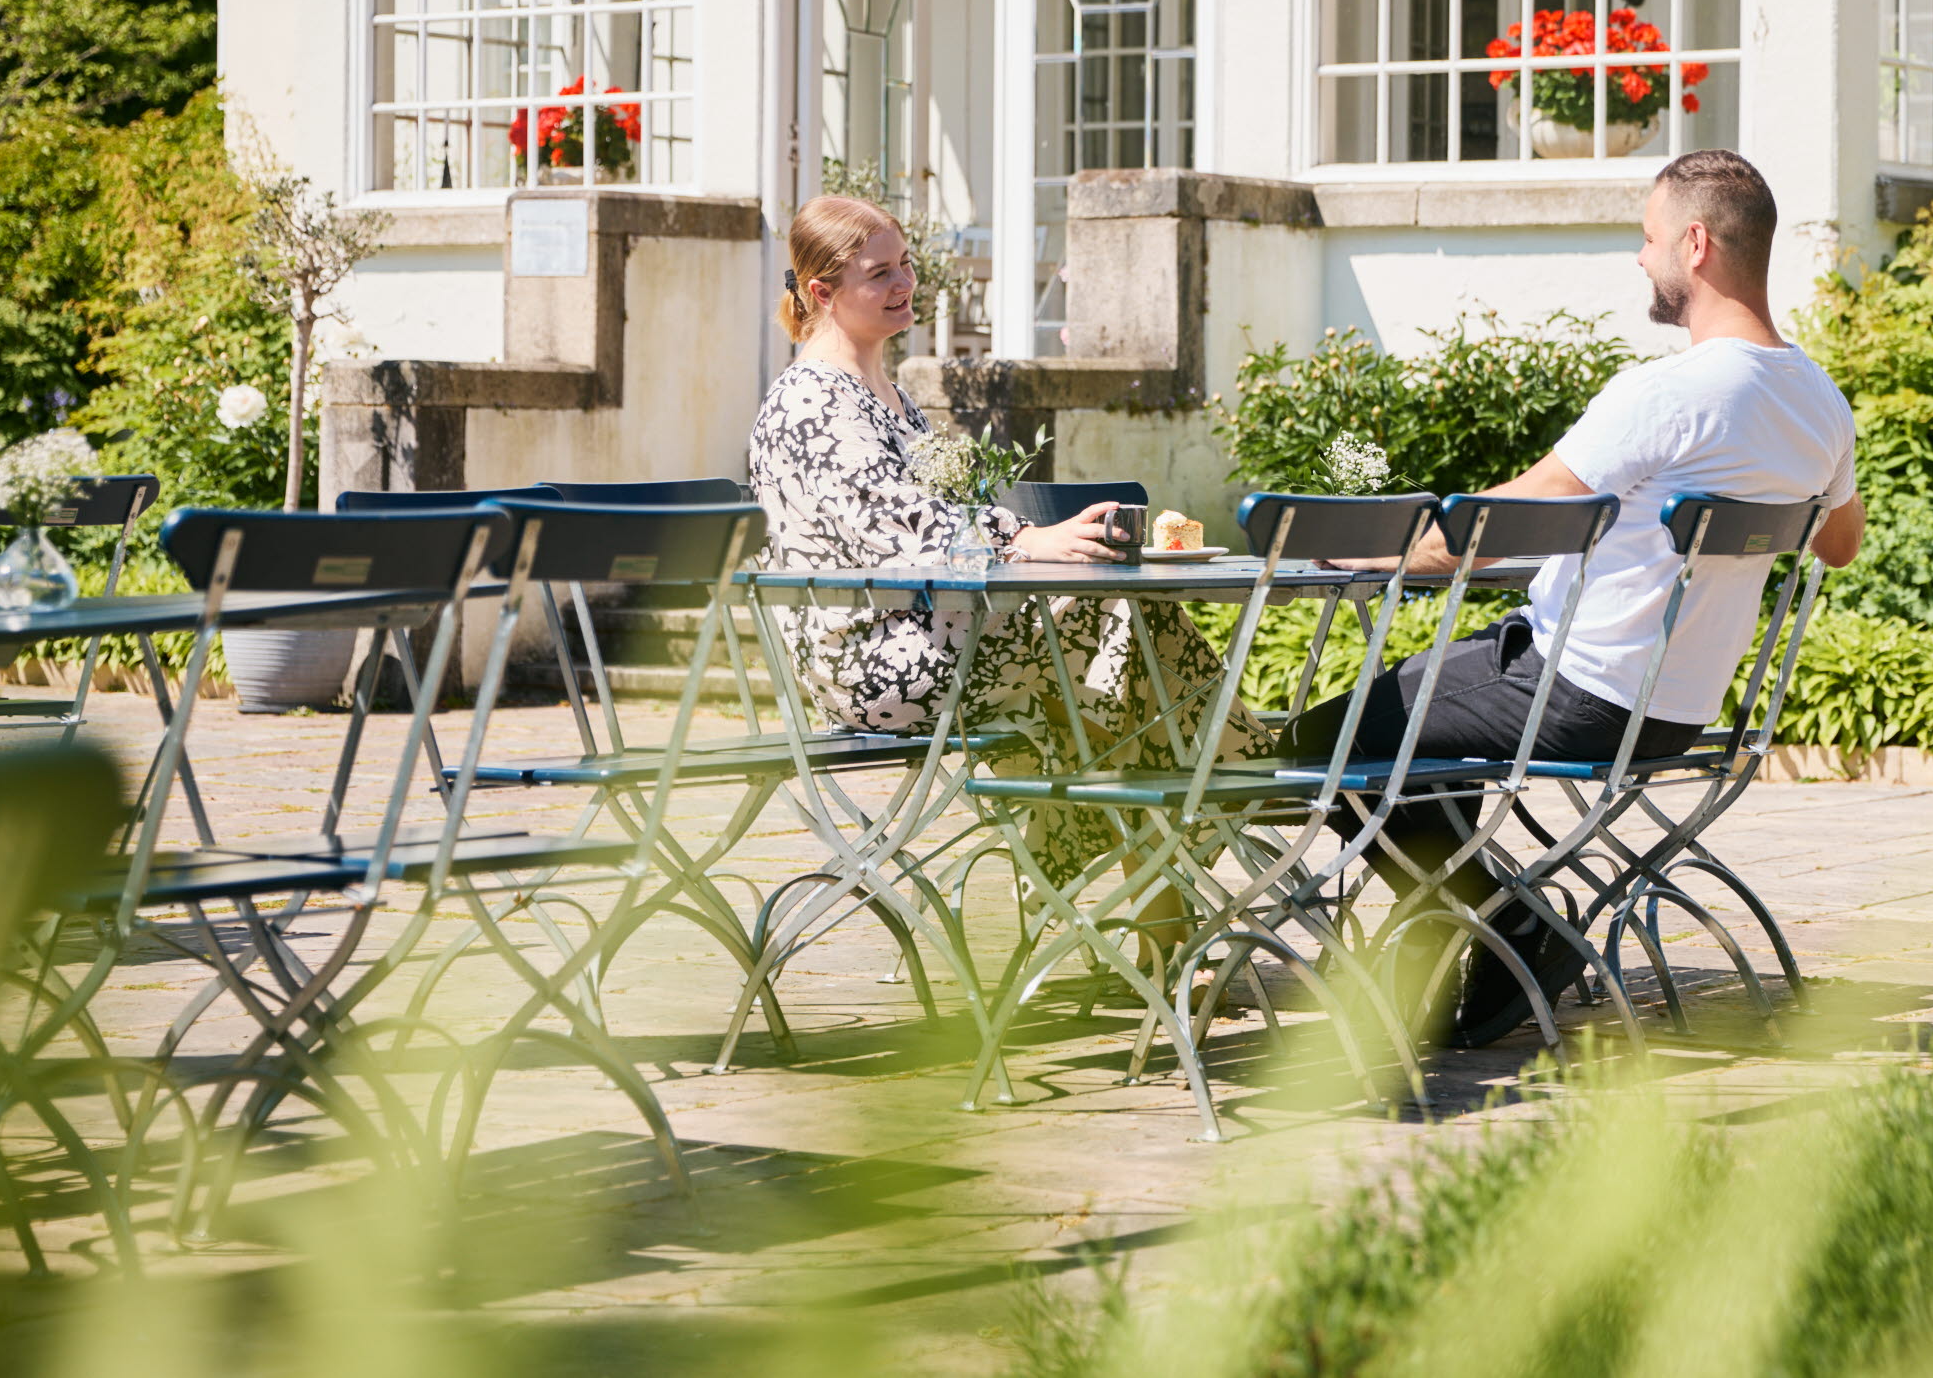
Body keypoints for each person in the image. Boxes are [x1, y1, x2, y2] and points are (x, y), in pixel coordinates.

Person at [1286, 149, 1867, 1047]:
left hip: (1578, 688)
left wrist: (1366, 549)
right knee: (1423, 723)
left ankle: (1512, 929)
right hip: (1676, 712)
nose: (1641, 258)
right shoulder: (1820, 404)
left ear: (1697, 243)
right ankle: (1459, 937)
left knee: (1327, 740)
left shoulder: (1667, 396)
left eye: (1647, 239)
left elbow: (1491, 531)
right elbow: (1837, 543)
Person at [747, 194, 1254, 936]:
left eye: (907, 264)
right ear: (822, 292)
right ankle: (1220, 813)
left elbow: (949, 513)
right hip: (871, 662)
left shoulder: (885, 392)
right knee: (1113, 620)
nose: (903, 284)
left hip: (935, 630)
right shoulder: (813, 401)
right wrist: (1025, 541)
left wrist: (1028, 539)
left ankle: (1157, 877)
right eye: (880, 273)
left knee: (1118, 625)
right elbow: (895, 531)